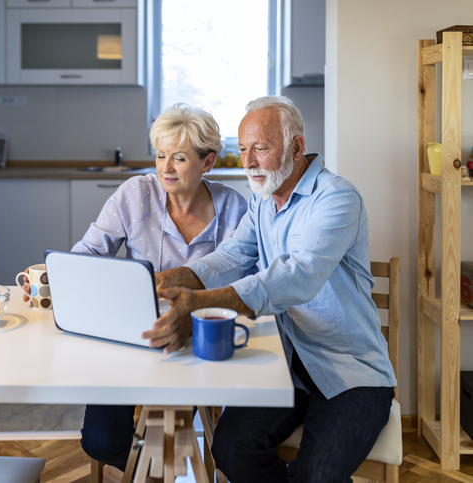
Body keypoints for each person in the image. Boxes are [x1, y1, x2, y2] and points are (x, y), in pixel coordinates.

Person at [142, 95, 396, 482]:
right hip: (287, 369)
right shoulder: (263, 203)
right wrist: (166, 280)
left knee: (318, 474)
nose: (248, 162)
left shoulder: (337, 197)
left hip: (351, 375)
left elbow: (298, 275)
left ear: (296, 147)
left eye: (260, 149)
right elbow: (228, 258)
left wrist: (201, 301)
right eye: (242, 149)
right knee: (229, 448)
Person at [22, 103, 249, 471]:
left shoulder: (235, 208)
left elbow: (246, 280)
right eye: (160, 156)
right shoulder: (135, 194)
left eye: (178, 158)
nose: (165, 167)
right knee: (100, 441)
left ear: (207, 162)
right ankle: (156, 470)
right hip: (128, 333)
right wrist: (56, 278)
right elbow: (87, 253)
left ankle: (163, 465)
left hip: (195, 339)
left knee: (170, 433)